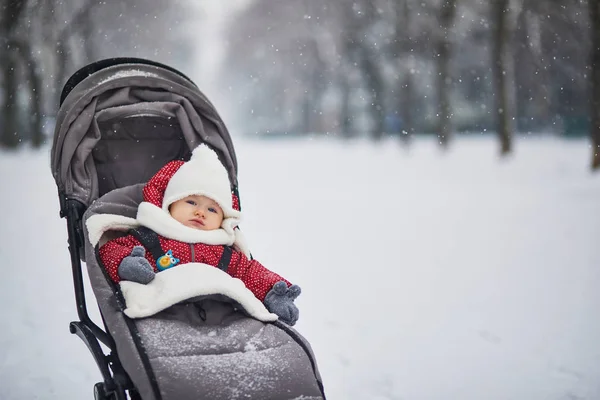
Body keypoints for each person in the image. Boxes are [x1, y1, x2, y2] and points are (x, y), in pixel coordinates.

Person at [97, 144, 300, 325]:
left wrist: (273, 291)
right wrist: (125, 263)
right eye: (191, 202)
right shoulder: (151, 238)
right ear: (170, 204)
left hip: (219, 319)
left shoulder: (224, 253)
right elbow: (111, 248)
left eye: (212, 210)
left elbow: (251, 273)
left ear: (223, 218)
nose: (200, 212)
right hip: (162, 313)